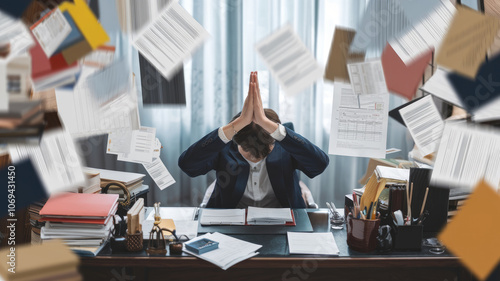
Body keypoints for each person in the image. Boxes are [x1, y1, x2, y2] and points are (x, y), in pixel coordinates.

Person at [178, 71, 329, 208]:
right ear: (236, 140)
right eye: (247, 150)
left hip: (283, 224)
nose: (254, 156)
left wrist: (267, 124)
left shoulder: (286, 145)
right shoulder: (224, 145)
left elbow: (319, 164)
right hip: (231, 223)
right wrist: (238, 124)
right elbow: (188, 165)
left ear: (274, 140)